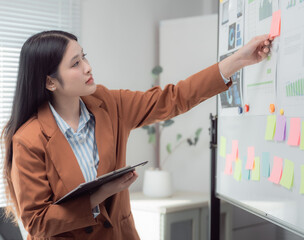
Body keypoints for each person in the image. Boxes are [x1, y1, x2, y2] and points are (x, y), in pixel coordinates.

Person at [1, 30, 271, 240]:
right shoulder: (28, 139)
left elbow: (174, 98)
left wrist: (237, 61)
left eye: (84, 56)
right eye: (75, 63)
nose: (87, 67)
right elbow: (37, 221)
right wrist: (100, 194)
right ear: (50, 82)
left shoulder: (108, 103)